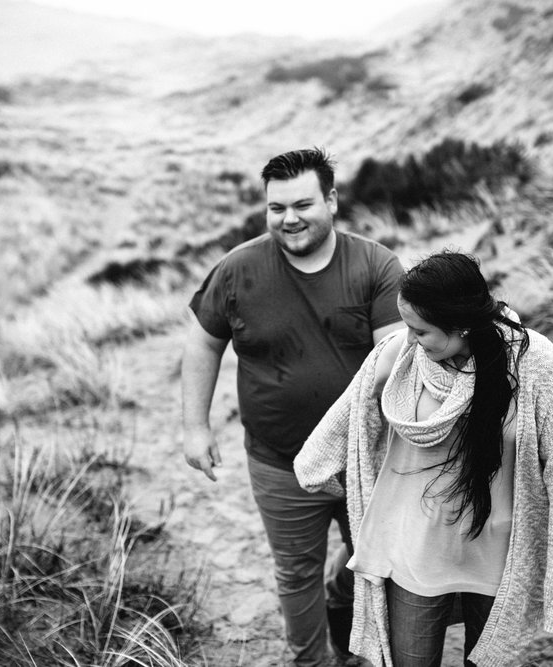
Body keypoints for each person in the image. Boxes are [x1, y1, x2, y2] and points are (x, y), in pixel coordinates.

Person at [295, 251, 553, 667]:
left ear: (462, 325)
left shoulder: (535, 363)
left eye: (421, 331)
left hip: (498, 552)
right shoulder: (397, 357)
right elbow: (346, 416)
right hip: (416, 549)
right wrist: (316, 468)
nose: (409, 339)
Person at [181, 147, 406, 666]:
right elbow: (202, 342)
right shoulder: (238, 269)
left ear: (331, 199)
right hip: (278, 461)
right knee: (295, 572)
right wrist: (196, 427)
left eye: (302, 204)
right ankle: (314, 661)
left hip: (366, 459)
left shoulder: (375, 264)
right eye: (276, 207)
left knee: (375, 562)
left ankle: (354, 625)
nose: (290, 218)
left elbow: (394, 360)